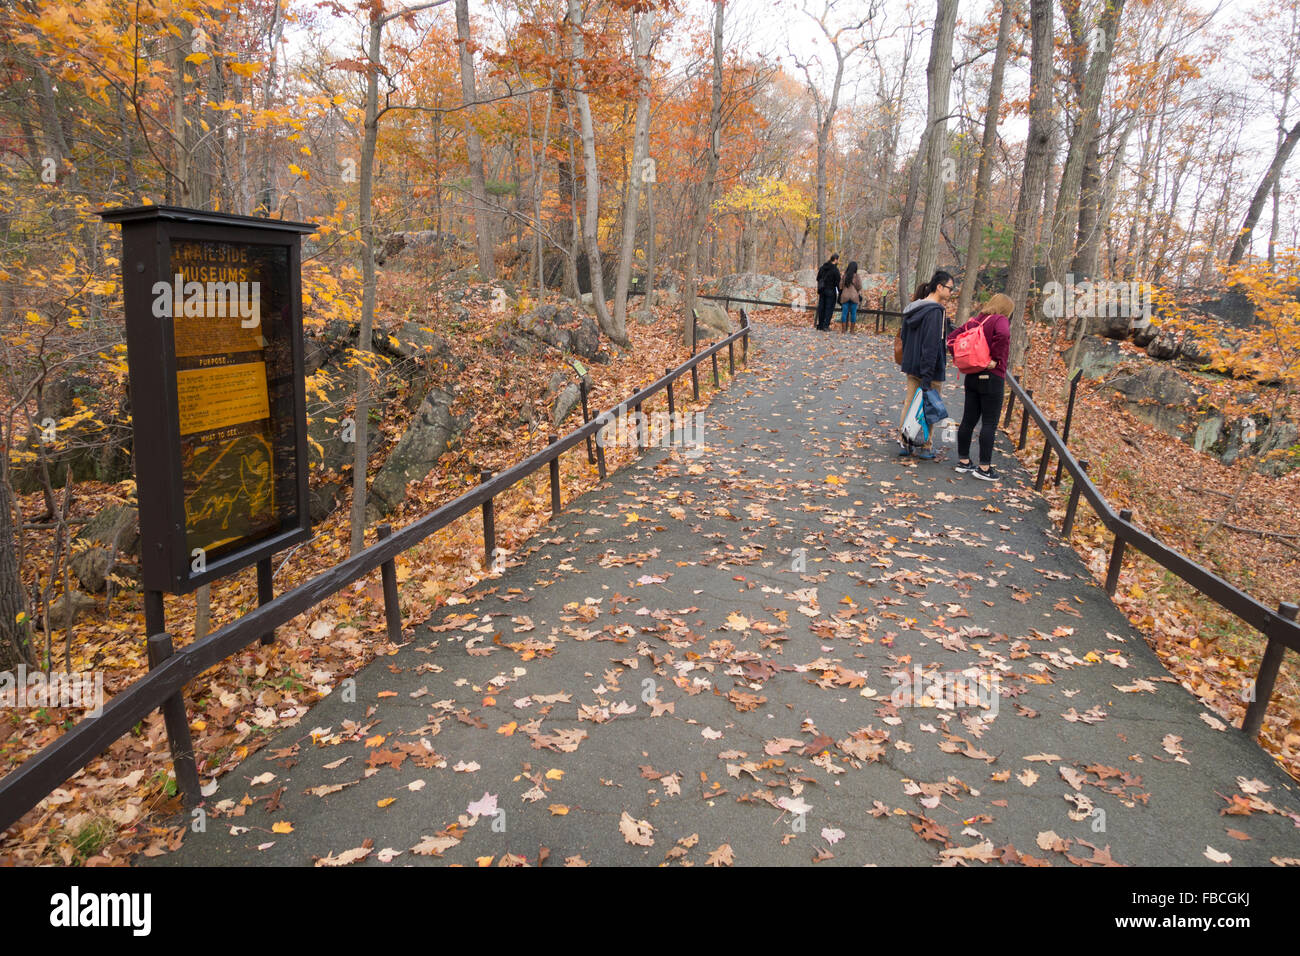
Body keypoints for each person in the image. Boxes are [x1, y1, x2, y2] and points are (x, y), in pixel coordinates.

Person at [947, 292, 1013, 481]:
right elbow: (1004, 334)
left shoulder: (976, 321)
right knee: (989, 423)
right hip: (992, 377)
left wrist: (964, 357)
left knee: (968, 419)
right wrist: (995, 359)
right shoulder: (999, 320)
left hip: (972, 376)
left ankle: (964, 462)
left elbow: (952, 338)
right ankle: (984, 467)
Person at [897, 270, 955, 459]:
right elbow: (931, 346)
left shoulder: (912, 308)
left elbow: (904, 337)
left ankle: (905, 442)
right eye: (950, 289)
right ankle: (926, 445)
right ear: (939, 287)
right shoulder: (936, 312)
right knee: (930, 403)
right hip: (930, 369)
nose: (951, 293)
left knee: (909, 403)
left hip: (912, 365)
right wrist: (928, 375)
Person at [815, 254, 840, 330]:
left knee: (821, 307)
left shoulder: (823, 267)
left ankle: (820, 325)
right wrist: (839, 291)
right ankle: (826, 325)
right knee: (829, 308)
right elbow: (838, 281)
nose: (838, 261)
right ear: (835, 259)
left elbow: (818, 278)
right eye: (837, 260)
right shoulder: (835, 269)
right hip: (831, 291)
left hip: (822, 290)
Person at [839, 260, 862, 333]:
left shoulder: (844, 276)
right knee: (853, 313)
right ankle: (852, 330)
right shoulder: (857, 276)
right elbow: (859, 286)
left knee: (844, 313)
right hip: (854, 296)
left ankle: (843, 330)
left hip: (845, 296)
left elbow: (840, 286)